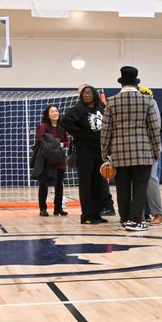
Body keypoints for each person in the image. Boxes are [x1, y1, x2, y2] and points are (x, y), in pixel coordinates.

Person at [102, 66, 160, 232]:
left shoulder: (111, 102)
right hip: (143, 152)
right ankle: (135, 221)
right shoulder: (147, 101)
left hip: (119, 152)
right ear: (136, 83)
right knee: (140, 188)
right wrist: (157, 150)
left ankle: (124, 219)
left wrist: (104, 151)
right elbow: (154, 129)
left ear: (121, 83)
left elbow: (106, 130)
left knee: (122, 188)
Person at [61, 85, 108, 225]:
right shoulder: (78, 108)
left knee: (99, 183)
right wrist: (80, 133)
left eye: (89, 92)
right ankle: (87, 215)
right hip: (84, 150)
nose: (86, 95)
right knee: (86, 183)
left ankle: (97, 214)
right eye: (83, 93)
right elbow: (65, 121)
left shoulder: (102, 108)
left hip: (99, 150)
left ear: (94, 94)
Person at [33, 103, 70, 217]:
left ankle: (58, 209)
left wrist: (58, 144)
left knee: (59, 185)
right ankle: (43, 209)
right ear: (48, 115)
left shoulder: (62, 127)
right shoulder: (43, 126)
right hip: (46, 160)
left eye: (56, 111)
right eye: (52, 111)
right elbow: (40, 141)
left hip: (59, 159)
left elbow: (66, 142)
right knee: (44, 184)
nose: (55, 113)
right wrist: (57, 144)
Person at [140, 85, 162, 225]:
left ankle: (158, 213)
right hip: (133, 148)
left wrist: (156, 148)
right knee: (135, 181)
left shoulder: (151, 103)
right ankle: (138, 213)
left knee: (152, 179)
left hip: (150, 148)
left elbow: (157, 126)